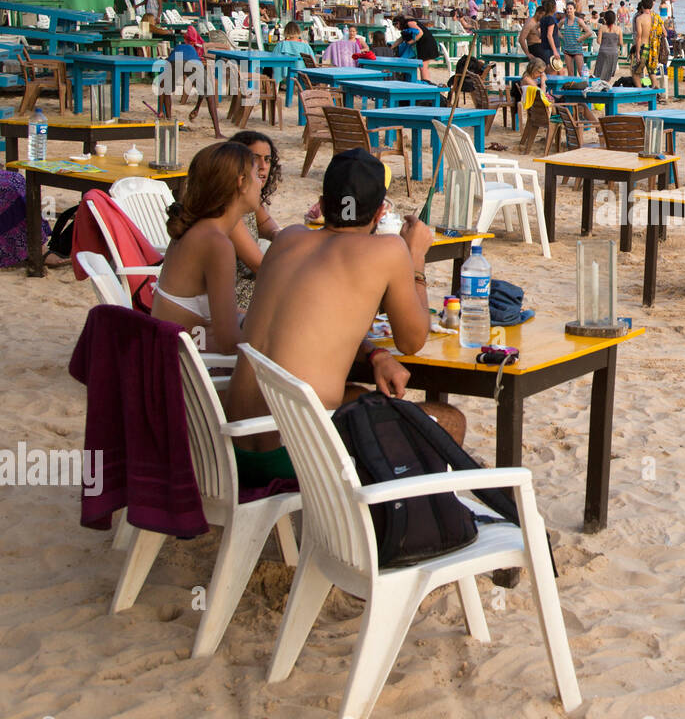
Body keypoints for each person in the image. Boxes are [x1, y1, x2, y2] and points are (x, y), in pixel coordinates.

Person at [225, 150, 467, 488]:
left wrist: (374, 353)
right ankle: (410, 529)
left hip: (235, 446)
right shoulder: (388, 251)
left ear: (322, 204)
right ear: (382, 212)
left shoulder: (288, 239)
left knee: (355, 393)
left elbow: (308, 323)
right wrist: (415, 257)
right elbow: (412, 342)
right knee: (449, 421)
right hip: (293, 455)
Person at [151, 140, 263, 354]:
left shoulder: (197, 226)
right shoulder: (216, 244)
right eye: (257, 175)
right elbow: (228, 343)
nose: (261, 183)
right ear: (241, 182)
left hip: (176, 346)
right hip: (185, 364)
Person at [229, 130, 283, 312]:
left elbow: (268, 227)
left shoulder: (247, 199)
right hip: (235, 295)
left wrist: (280, 237)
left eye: (267, 159)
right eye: (255, 158)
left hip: (252, 284)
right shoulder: (228, 208)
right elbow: (259, 266)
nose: (263, 166)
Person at [558, 2, 593, 76]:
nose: (569, 10)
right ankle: (572, 86)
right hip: (567, 49)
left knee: (581, 72)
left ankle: (584, 86)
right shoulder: (564, 20)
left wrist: (581, 38)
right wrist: (562, 37)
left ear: (574, 10)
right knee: (570, 73)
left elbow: (589, 32)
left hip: (577, 49)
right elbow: (555, 29)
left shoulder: (578, 20)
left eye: (571, 8)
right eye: (567, 9)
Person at [593, 10, 622, 81]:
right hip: (613, 52)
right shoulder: (618, 29)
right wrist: (614, 43)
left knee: (599, 72)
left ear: (605, 19)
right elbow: (621, 42)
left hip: (603, 51)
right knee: (608, 74)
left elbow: (598, 41)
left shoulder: (602, 28)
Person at [537, 0, 561, 64]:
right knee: (554, 67)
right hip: (551, 47)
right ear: (554, 7)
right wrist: (555, 50)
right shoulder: (551, 19)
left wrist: (540, 35)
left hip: (544, 45)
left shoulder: (543, 18)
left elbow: (536, 28)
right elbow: (549, 35)